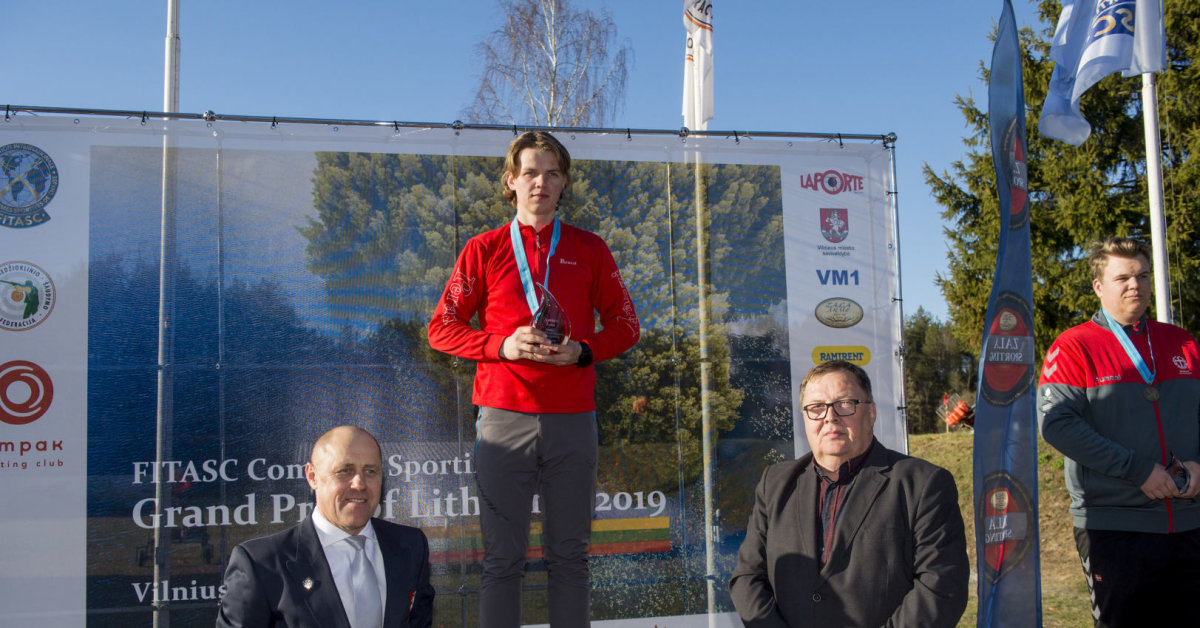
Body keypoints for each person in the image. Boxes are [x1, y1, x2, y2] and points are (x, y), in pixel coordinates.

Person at [427, 131, 639, 627]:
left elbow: (627, 326)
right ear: (511, 181)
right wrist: (499, 345)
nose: (540, 182)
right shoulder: (484, 248)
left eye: (551, 172)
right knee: (503, 559)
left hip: (572, 421)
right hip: (503, 420)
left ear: (564, 183)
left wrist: (584, 352)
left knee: (570, 558)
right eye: (529, 172)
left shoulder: (589, 248)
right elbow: (441, 328)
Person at [730, 360, 968, 627]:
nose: (830, 418)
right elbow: (748, 577)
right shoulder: (774, 484)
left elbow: (941, 587)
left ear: (872, 412)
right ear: (805, 418)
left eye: (845, 404)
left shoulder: (923, 484)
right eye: (816, 408)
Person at [1038, 236, 1200, 626]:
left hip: (1191, 523)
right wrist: (1138, 470)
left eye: (1143, 275)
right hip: (1115, 527)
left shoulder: (1183, 343)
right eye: (1123, 277)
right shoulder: (1074, 346)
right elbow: (1057, 424)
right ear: (1098, 286)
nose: (1136, 285)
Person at [215, 426, 434, 628]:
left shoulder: (410, 547)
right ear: (312, 476)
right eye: (344, 471)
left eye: (370, 471)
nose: (359, 483)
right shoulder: (260, 565)